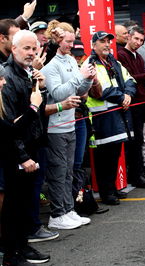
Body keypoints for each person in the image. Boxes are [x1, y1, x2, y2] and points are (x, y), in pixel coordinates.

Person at [1, 29, 50, 265]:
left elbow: (38, 109)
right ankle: (12, 254)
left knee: (25, 202)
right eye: (27, 48)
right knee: (14, 205)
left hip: (33, 146)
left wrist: (42, 87)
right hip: (16, 153)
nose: (31, 53)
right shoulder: (7, 77)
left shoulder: (28, 72)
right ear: (14, 49)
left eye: (34, 48)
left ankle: (23, 246)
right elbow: (8, 125)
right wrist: (22, 156)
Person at [41, 22, 94, 229]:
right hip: (55, 128)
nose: (72, 45)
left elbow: (80, 91)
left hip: (70, 124)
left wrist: (89, 79)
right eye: (68, 42)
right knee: (58, 171)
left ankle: (68, 209)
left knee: (69, 170)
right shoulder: (51, 66)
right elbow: (58, 94)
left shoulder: (71, 60)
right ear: (57, 41)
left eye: (73, 41)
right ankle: (57, 214)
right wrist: (81, 77)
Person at [85, 31, 136, 205]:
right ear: (94, 45)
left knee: (114, 154)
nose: (107, 45)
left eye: (108, 41)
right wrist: (122, 97)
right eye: (102, 42)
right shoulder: (91, 63)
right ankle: (107, 193)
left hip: (117, 114)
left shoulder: (114, 61)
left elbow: (130, 80)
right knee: (103, 158)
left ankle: (112, 189)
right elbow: (103, 90)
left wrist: (128, 94)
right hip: (101, 117)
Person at [117, 25, 145, 188]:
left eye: (141, 40)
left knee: (140, 139)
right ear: (129, 37)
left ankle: (140, 173)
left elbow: (140, 79)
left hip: (141, 102)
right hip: (131, 103)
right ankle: (136, 175)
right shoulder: (121, 55)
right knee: (134, 140)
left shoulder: (138, 57)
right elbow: (128, 78)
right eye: (136, 39)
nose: (139, 42)